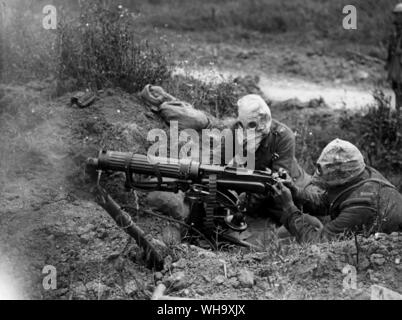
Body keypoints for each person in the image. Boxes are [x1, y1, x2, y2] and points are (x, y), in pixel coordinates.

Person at [271, 138, 402, 243]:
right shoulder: (361, 174)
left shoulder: (361, 205)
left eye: (328, 184)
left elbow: (316, 243)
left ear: (340, 181)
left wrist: (288, 207)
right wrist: (295, 192)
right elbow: (327, 201)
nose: (326, 189)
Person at [228, 94, 311, 224]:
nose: (260, 130)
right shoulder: (236, 130)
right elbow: (219, 160)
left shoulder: (284, 136)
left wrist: (244, 206)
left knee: (290, 220)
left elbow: (275, 182)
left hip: (288, 189)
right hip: (254, 187)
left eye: (262, 127)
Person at [386, 3, 402, 118]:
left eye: (398, 15)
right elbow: (391, 48)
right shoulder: (395, 32)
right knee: (396, 87)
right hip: (395, 64)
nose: (396, 18)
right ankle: (398, 111)